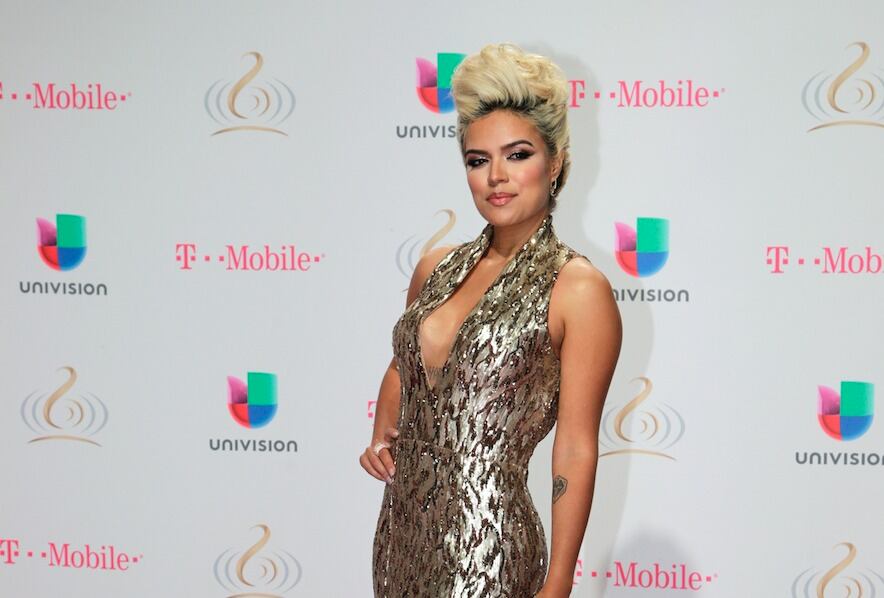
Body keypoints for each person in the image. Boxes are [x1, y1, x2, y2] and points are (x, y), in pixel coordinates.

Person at [359, 43, 622, 597]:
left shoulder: (577, 288)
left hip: (487, 548)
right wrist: (382, 434)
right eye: (478, 161)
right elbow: (403, 367)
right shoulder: (436, 267)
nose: (496, 176)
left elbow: (576, 445)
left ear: (555, 163)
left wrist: (558, 582)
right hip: (401, 540)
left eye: (517, 155)